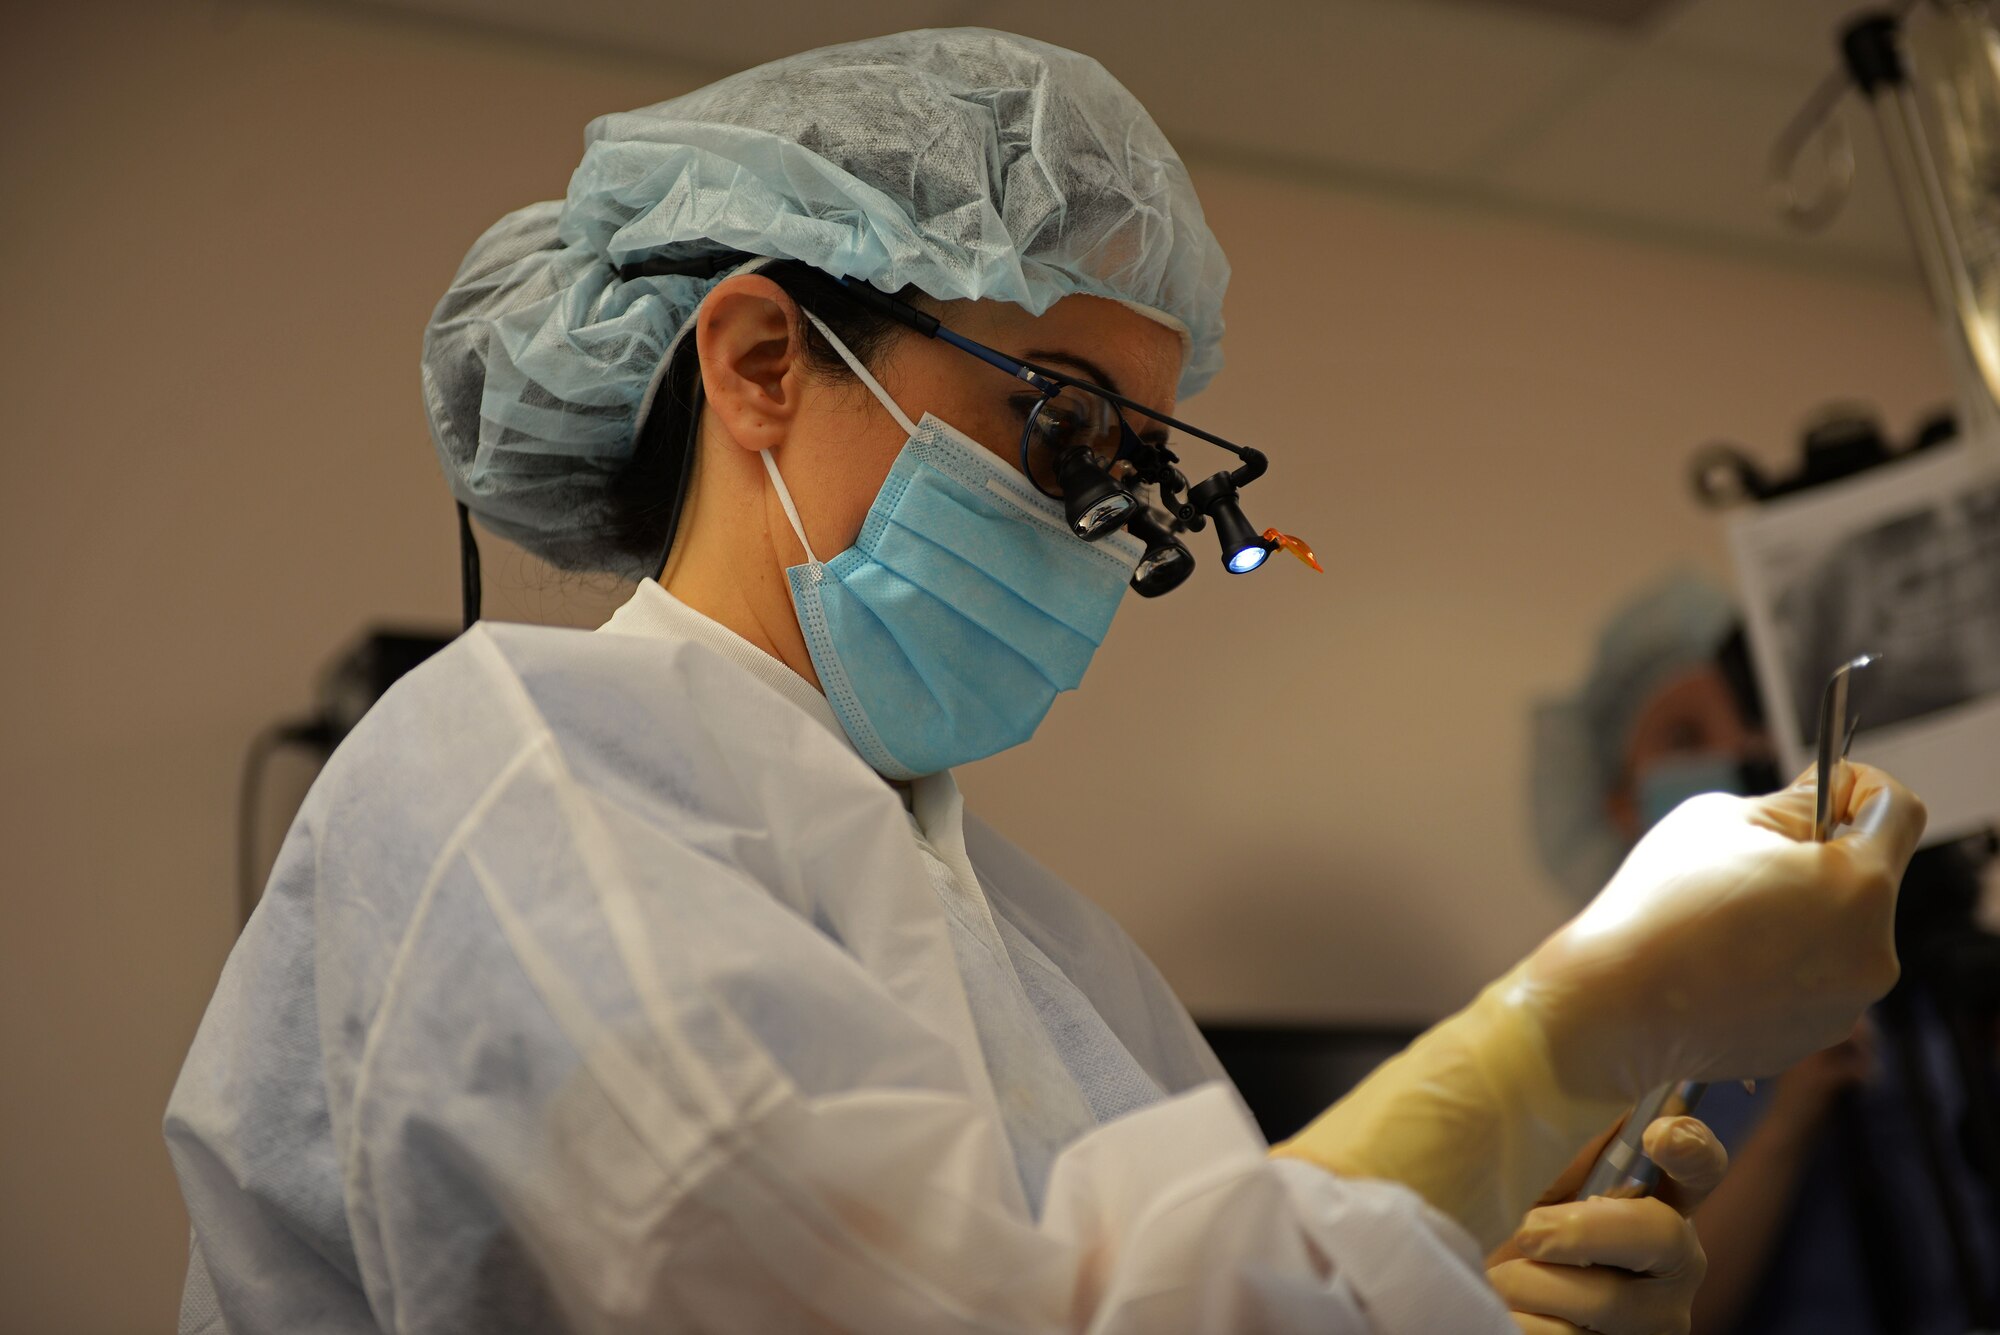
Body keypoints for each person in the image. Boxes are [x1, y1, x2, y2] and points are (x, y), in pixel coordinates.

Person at [167, 31, 1928, 1333]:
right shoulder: (514, 780)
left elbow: (1181, 1276)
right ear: (766, 357)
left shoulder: (1052, 960)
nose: (1100, 529)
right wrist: (1558, 1034)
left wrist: (1457, 1267)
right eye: (1065, 424)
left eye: (1138, 475)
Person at [1532, 572, 2000, 1334]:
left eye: (1755, 720)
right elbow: (1638, 1312)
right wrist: (1796, 1111)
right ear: (1615, 800)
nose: (1742, 752)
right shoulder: (1598, 1037)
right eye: (1686, 736)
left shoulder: (1895, 967)